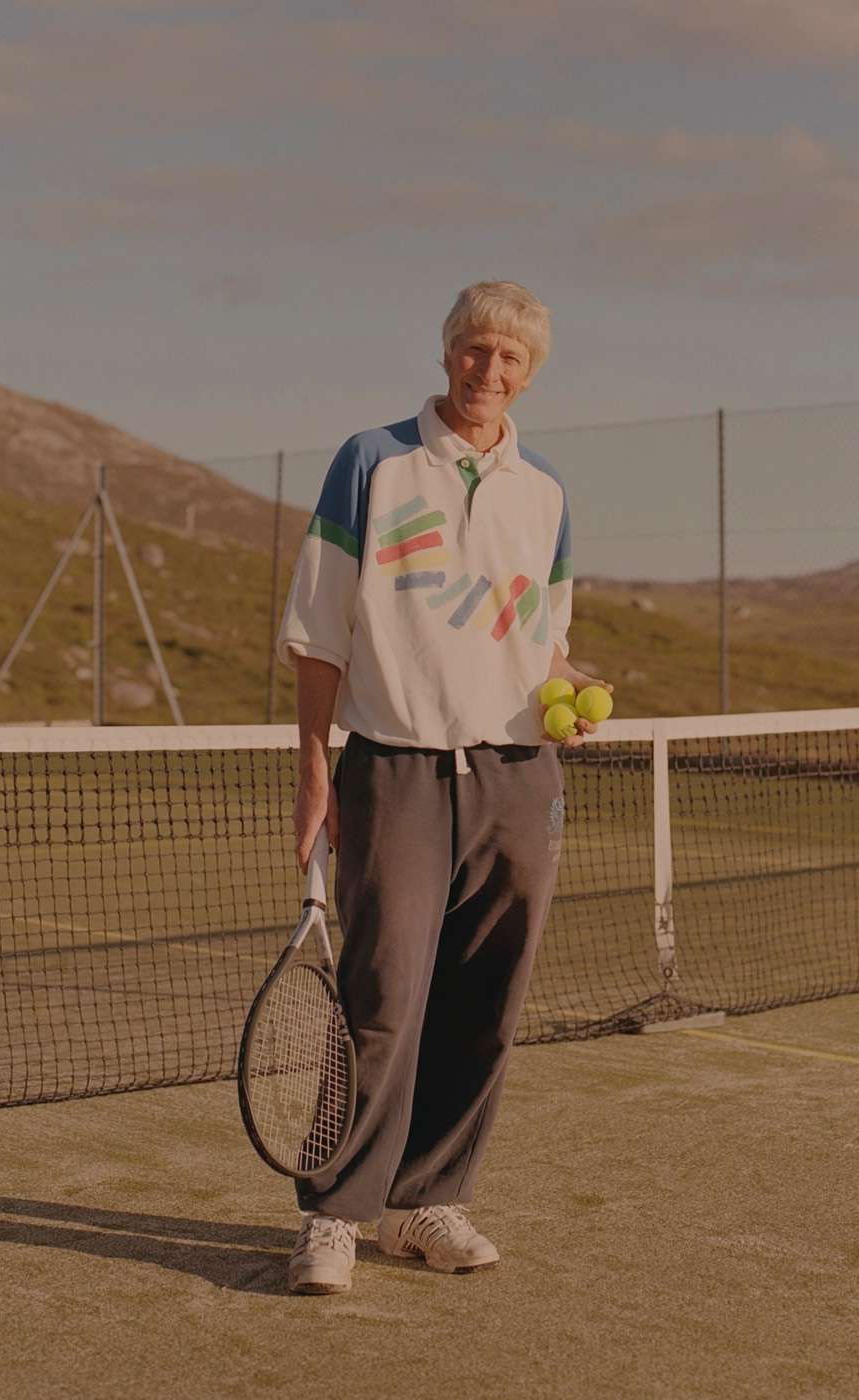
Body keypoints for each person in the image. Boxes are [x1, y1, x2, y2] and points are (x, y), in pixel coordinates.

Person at [275, 279, 609, 1295]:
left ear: (529, 375)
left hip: (518, 775)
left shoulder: (544, 490)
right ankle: (335, 1212)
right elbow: (319, 630)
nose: (487, 371)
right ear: (447, 351)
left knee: (484, 998)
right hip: (395, 766)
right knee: (381, 994)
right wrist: (313, 766)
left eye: (509, 359)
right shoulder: (370, 463)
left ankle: (427, 1200)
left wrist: (574, 688)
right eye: (475, 349)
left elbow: (542, 643)